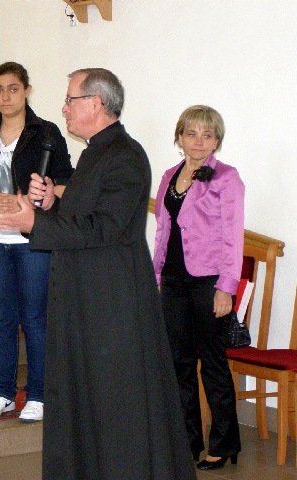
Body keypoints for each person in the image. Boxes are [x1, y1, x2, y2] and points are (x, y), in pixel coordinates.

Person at [0, 68, 195, 478]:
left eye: (70, 99)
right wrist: (51, 206)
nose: (63, 108)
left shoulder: (126, 156)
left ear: (96, 104)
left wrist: (34, 223)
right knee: (87, 400)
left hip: (112, 304)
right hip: (88, 299)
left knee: (115, 406)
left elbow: (106, 228)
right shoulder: (95, 153)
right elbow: (84, 218)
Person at [0, 62, 72, 423]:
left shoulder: (47, 133)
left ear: (26, 90)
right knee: (1, 318)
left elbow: (65, 184)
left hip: (32, 239)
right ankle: (3, 393)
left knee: (34, 318)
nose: (5, 96)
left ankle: (38, 394)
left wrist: (36, 198)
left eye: (12, 88)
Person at [153, 105, 244, 470]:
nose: (199, 141)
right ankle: (187, 442)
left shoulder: (226, 178)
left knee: (213, 365)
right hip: (173, 282)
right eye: (191, 133)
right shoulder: (168, 176)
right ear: (180, 137)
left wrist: (226, 287)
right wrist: (157, 277)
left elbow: (233, 237)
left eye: (207, 135)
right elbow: (163, 231)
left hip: (209, 283)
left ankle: (224, 443)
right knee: (179, 364)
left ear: (216, 141)